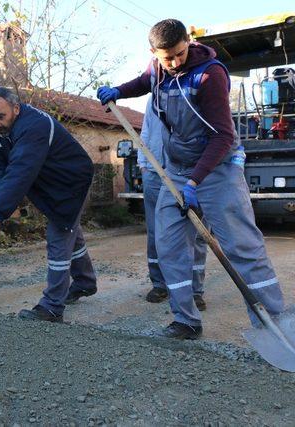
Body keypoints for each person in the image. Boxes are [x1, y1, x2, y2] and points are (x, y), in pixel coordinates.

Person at [97, 19, 284, 339]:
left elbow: (224, 137)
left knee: (243, 247)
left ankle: (275, 323)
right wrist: (120, 91)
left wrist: (195, 182)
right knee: (168, 245)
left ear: (188, 42)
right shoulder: (157, 68)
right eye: (165, 57)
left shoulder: (210, 75)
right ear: (153, 53)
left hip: (216, 171)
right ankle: (186, 319)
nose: (173, 63)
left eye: (179, 54)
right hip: (178, 172)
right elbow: (145, 81)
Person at [0, 87, 97, 323]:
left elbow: (20, 171)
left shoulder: (34, 127)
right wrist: (5, 198)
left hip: (70, 181)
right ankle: (85, 282)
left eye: (0, 117)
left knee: (60, 231)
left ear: (16, 108)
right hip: (45, 179)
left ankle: (52, 306)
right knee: (70, 228)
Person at [139, 96, 208, 310]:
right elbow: (146, 130)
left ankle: (194, 291)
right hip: (154, 171)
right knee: (156, 232)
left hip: (188, 173)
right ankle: (160, 284)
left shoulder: (196, 93)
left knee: (196, 233)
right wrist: (143, 165)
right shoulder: (154, 97)